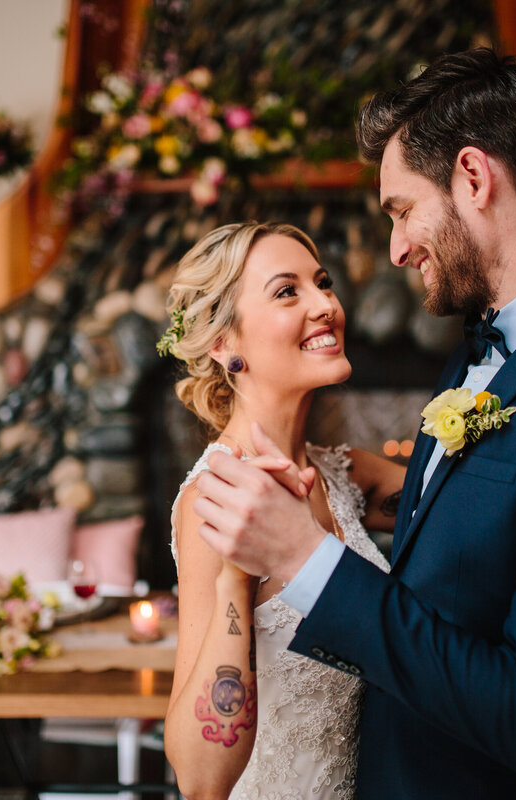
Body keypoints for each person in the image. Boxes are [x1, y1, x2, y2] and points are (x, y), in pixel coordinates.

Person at [192, 48, 516, 798]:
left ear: (472, 177)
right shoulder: (482, 351)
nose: (396, 248)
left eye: (401, 210)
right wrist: (378, 484)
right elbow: (485, 534)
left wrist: (308, 561)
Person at [160, 221, 406, 799]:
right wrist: (237, 575)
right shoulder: (215, 502)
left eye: (322, 283)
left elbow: (475, 501)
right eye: (287, 291)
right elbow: (201, 781)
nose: (327, 304)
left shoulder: (349, 476)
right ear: (224, 343)